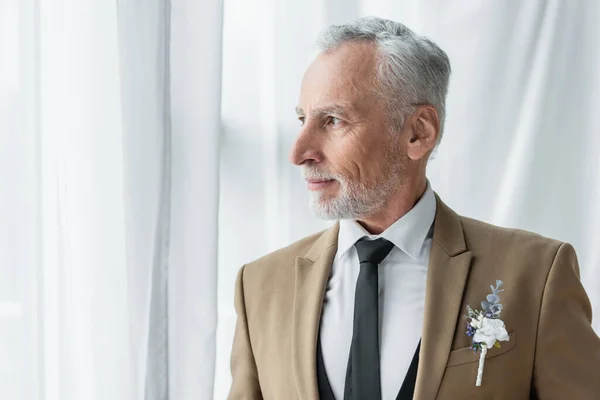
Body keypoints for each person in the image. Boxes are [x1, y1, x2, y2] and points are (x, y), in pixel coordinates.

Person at [227, 16, 600, 400]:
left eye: (333, 120)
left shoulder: (536, 275)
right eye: (303, 119)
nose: (299, 152)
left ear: (418, 132)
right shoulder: (259, 286)